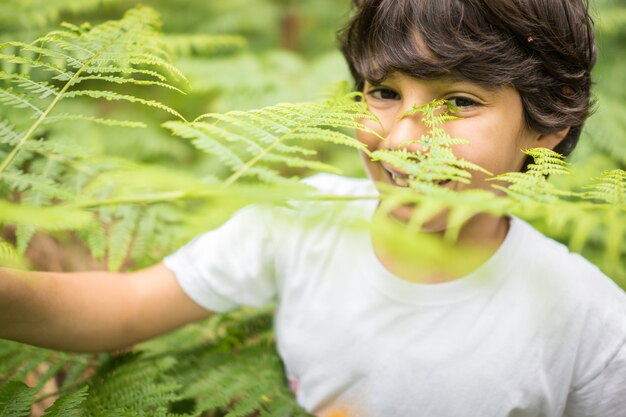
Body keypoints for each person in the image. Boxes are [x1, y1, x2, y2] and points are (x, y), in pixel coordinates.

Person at [1, 0, 625, 416]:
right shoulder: (302, 214)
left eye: (458, 102)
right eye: (383, 91)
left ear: (546, 123)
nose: (404, 138)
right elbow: (127, 306)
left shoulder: (592, 321)